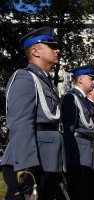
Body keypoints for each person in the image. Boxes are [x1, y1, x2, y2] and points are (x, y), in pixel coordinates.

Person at [1, 26, 66, 200]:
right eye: (51, 46)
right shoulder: (24, 78)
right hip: (31, 161)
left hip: (48, 160)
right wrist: (25, 168)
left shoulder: (48, 84)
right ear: (35, 51)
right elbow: (21, 124)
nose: (57, 50)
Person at [61, 64, 94, 200]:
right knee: (74, 192)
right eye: (91, 78)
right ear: (81, 79)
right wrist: (64, 160)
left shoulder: (84, 101)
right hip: (76, 156)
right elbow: (67, 129)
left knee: (83, 192)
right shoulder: (71, 98)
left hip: (86, 154)